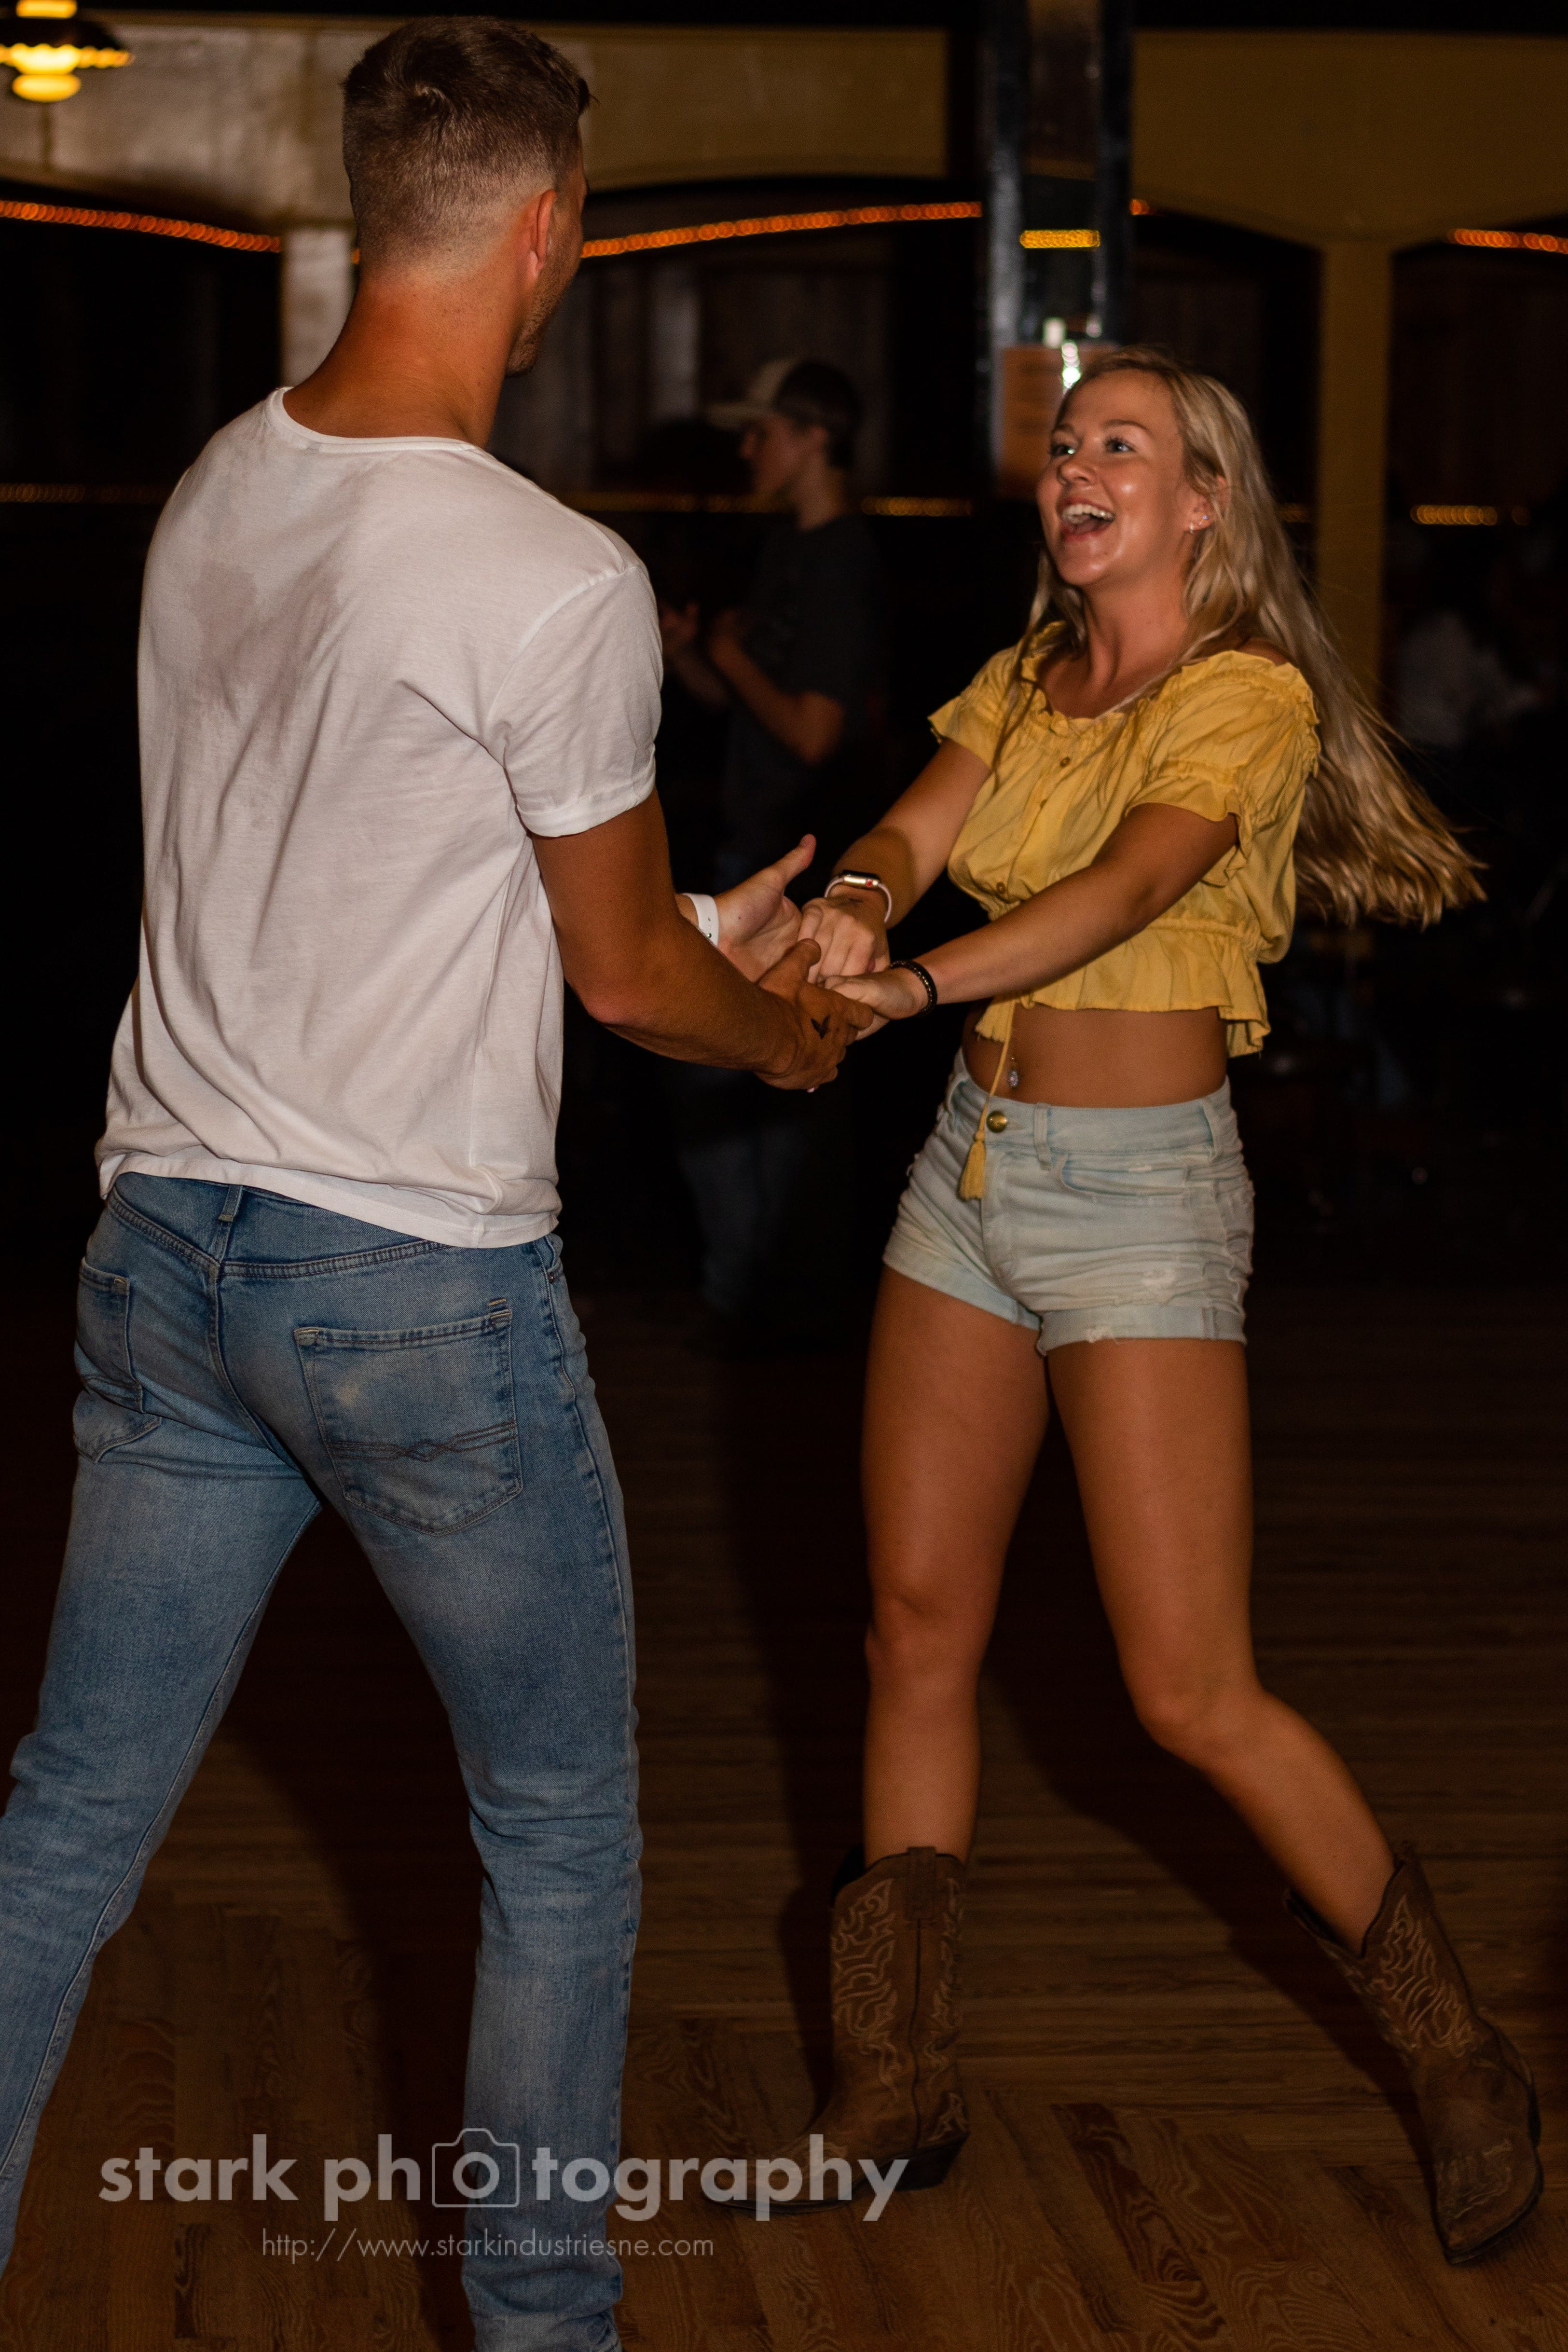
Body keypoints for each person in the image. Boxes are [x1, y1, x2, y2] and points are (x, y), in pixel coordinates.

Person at [0, 22, 868, 2351]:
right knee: (558, 1830)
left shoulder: (216, 492)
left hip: (166, 1247)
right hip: (410, 1294)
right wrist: (779, 1022)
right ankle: (543, 2325)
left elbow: (371, 879)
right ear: (546, 232)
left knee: (66, 1823)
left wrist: (690, 930)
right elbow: (623, 984)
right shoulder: (552, 574)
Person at [713, 347, 1541, 2267]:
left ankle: (1454, 2053)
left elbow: (1122, 889)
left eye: (1124, 446)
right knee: (913, 1625)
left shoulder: (1242, 695)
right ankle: (895, 2081)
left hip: (1141, 1206)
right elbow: (912, 825)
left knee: (1185, 1689)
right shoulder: (1023, 675)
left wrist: (909, 986)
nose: (1076, 465)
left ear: (1200, 503)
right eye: (1067, 442)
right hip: (970, 1175)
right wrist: (859, 897)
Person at [656, 359, 886, 1348]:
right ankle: (753, 1301)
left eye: (763, 432)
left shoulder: (840, 560)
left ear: (812, 438)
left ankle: (768, 1306)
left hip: (798, 859)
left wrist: (731, 657)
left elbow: (811, 732)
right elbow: (749, 706)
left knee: (763, 1082)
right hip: (753, 845)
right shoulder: (787, 547)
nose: (747, 449)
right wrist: (690, 656)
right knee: (731, 1082)